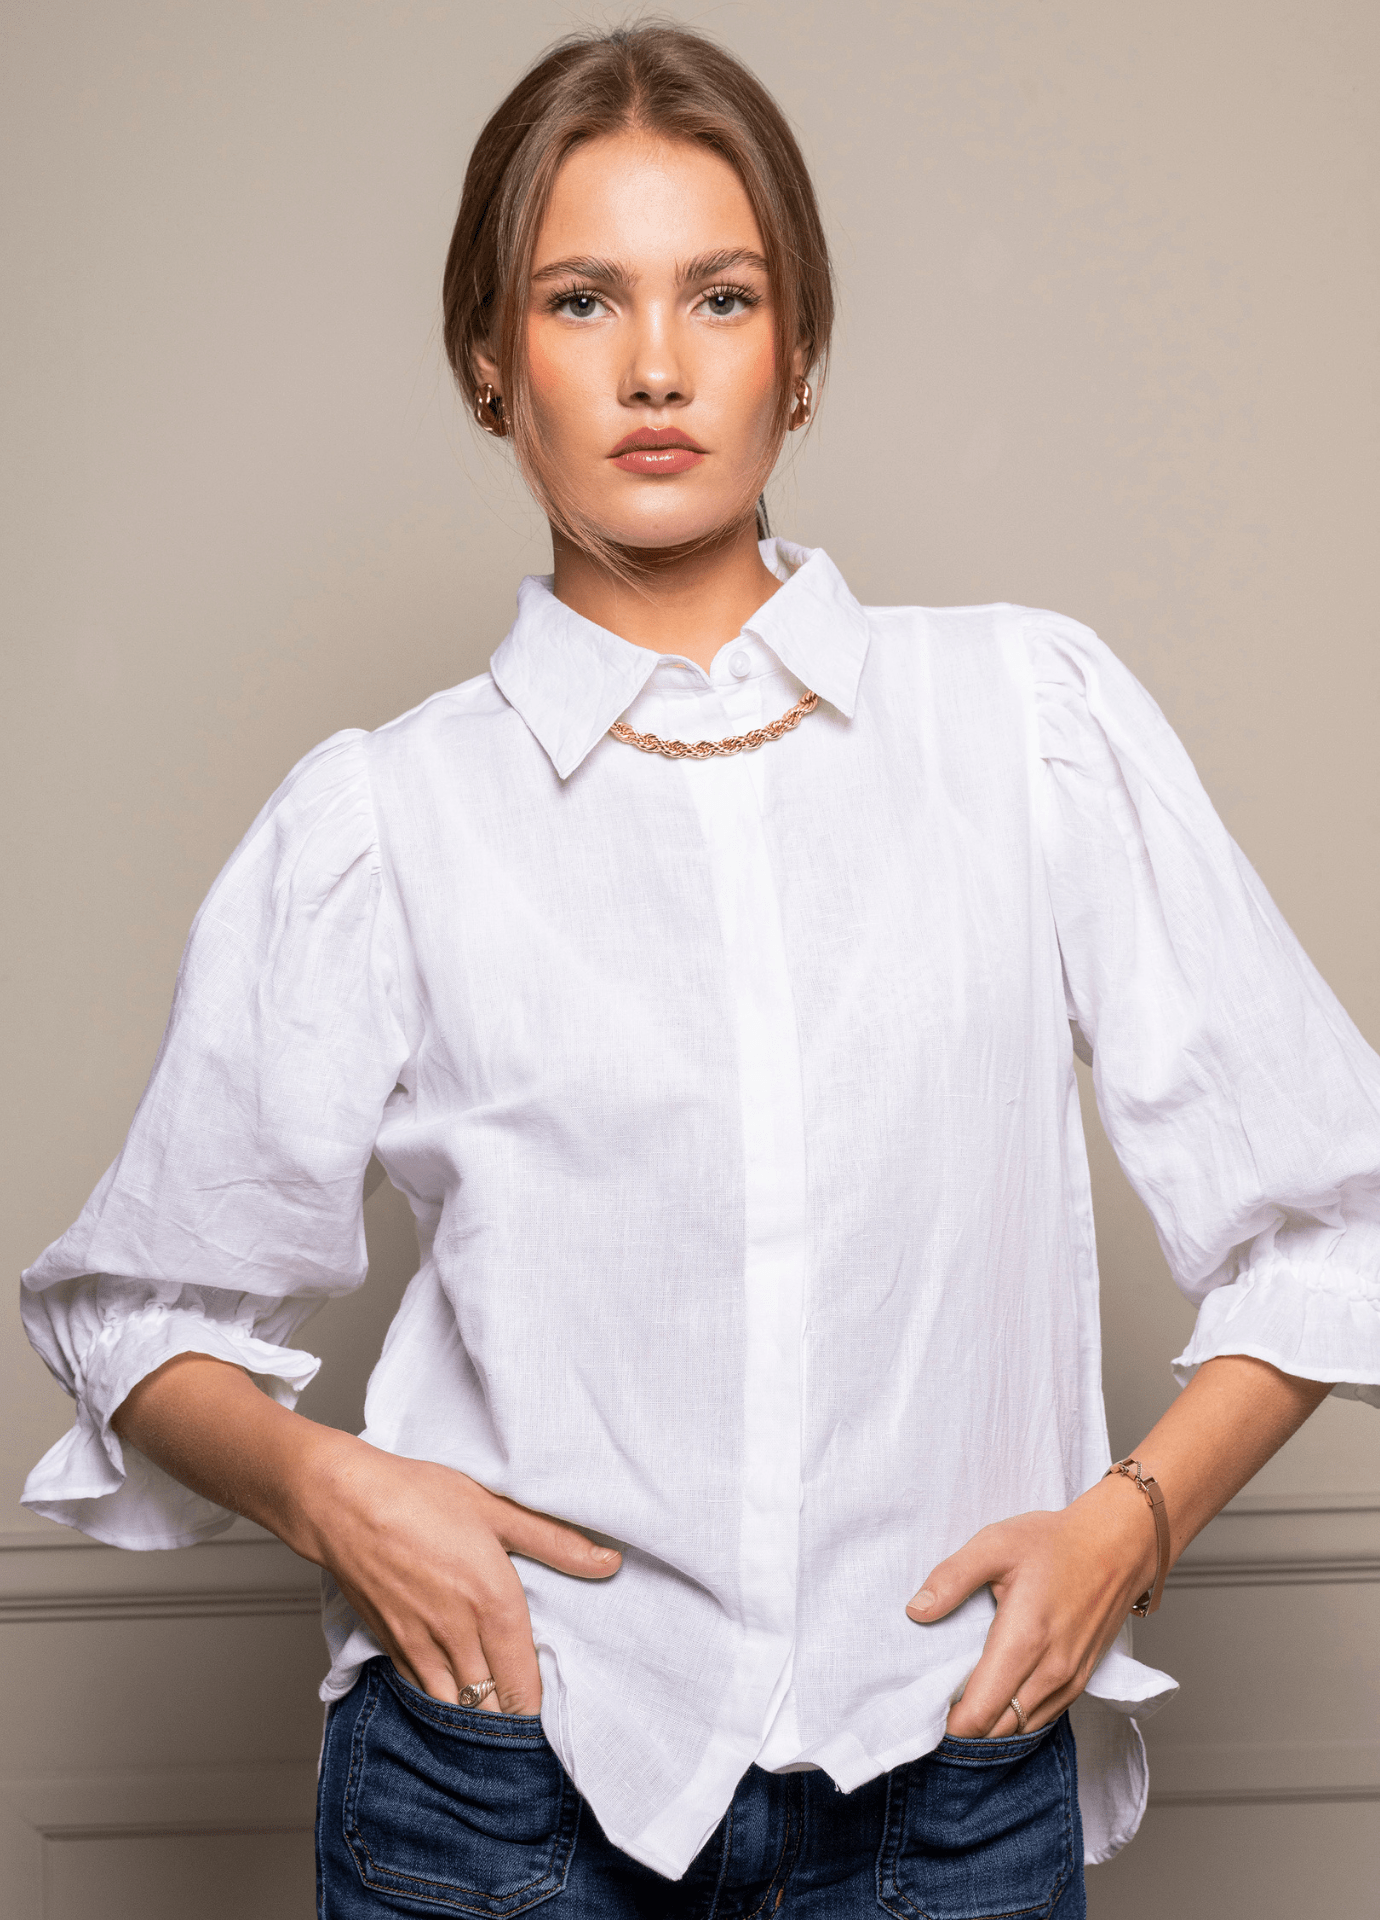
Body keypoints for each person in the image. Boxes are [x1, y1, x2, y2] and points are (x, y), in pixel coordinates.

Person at [20, 22, 1380, 1919]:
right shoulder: (387, 821)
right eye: (581, 300)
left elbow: (1330, 1212)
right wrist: (339, 1494)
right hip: (493, 1793)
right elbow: (135, 1306)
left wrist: (1127, 1528)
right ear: (489, 361)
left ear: (798, 352)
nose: (655, 366)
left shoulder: (1024, 723)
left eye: (719, 297)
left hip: (948, 1789)